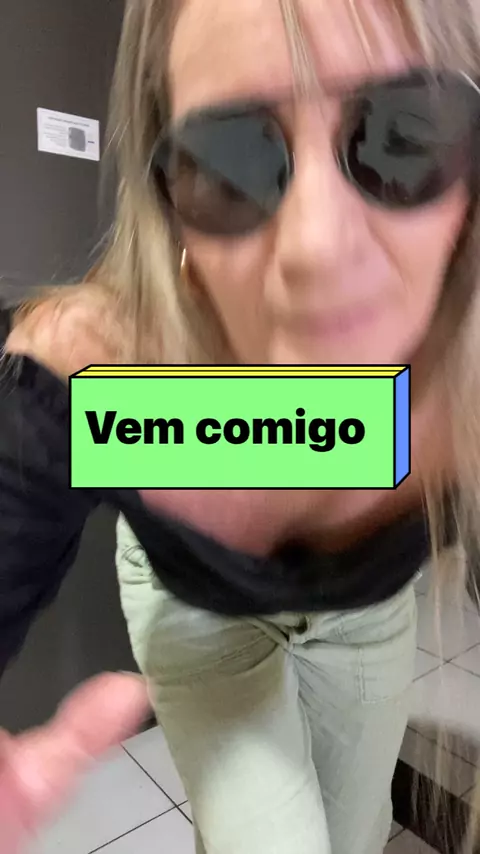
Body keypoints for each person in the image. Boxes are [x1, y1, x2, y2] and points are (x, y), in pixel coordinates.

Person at [1, 0, 480, 852]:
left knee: (356, 836)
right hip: (201, 618)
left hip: (367, 621)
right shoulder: (110, 368)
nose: (317, 245)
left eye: (402, 137)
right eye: (233, 161)